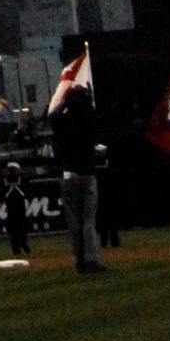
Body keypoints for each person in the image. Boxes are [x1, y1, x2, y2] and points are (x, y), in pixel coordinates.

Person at [50, 41, 104, 275]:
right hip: (86, 172)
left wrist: (66, 104)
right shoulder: (88, 120)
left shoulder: (63, 120)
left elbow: (53, 117)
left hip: (68, 173)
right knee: (88, 220)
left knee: (74, 222)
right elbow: (94, 130)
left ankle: (81, 261)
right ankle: (90, 260)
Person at [2, 157, 30, 260]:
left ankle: (21, 244)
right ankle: (17, 247)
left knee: (20, 227)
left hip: (17, 207)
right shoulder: (5, 180)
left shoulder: (21, 179)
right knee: (15, 228)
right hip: (13, 207)